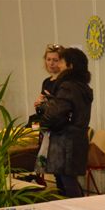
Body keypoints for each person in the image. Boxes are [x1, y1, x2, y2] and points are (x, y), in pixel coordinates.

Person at [38, 47, 93, 198]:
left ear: (70, 66)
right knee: (68, 181)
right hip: (76, 139)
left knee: (67, 184)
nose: (58, 65)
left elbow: (56, 113)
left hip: (65, 141)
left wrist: (43, 111)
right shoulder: (82, 86)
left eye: (61, 61)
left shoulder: (68, 86)